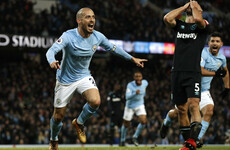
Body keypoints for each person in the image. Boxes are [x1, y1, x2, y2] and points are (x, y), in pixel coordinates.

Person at [46, 7, 147, 150]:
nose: (92, 20)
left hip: (84, 76)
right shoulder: (68, 36)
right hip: (65, 79)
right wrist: (52, 60)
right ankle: (54, 140)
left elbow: (114, 48)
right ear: (79, 20)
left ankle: (79, 123)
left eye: (93, 17)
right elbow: (51, 51)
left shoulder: (98, 37)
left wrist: (132, 59)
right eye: (87, 17)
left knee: (95, 101)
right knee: (58, 117)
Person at [160, 32, 230, 147]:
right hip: (190, 88)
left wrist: (227, 87)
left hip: (204, 90)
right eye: (212, 41)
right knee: (179, 112)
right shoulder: (203, 53)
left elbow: (225, 71)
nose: (214, 43)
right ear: (209, 43)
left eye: (217, 41)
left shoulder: (222, 58)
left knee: (209, 111)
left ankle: (196, 139)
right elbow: (200, 70)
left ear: (221, 44)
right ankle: (167, 120)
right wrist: (216, 74)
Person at [163, 0, 209, 149]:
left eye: (196, 7)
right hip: (176, 72)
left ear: (200, 11)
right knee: (182, 109)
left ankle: (192, 141)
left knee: (194, 105)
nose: (192, 6)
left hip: (193, 72)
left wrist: (195, 8)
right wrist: (184, 7)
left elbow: (197, 19)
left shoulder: (203, 25)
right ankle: (188, 142)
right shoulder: (180, 26)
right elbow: (167, 19)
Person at [120, 71, 148, 146]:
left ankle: (135, 137)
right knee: (126, 124)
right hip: (130, 106)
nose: (138, 78)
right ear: (134, 78)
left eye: (139, 76)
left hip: (140, 105)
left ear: (142, 77)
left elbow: (145, 88)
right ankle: (122, 141)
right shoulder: (130, 85)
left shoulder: (145, 82)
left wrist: (143, 94)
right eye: (136, 76)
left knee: (143, 121)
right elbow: (127, 97)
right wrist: (135, 93)